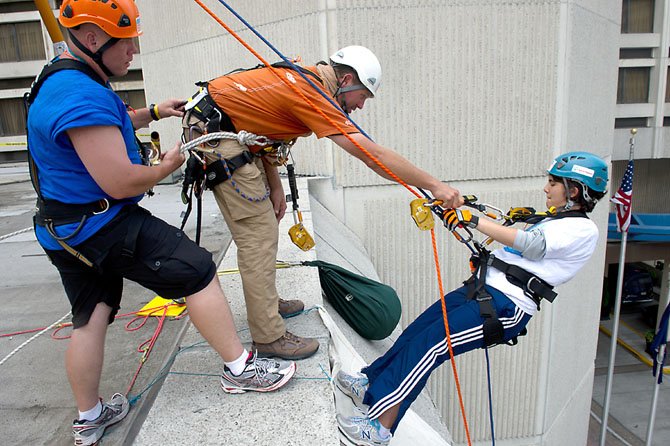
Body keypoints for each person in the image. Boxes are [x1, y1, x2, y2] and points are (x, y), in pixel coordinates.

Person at [27, 2, 295, 445]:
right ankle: (240, 369)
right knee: (197, 270)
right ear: (93, 38)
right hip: (102, 225)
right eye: (126, 40)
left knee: (91, 317)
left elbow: (102, 123)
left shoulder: (61, 75)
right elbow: (120, 181)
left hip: (62, 228)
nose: (133, 50)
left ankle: (90, 416)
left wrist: (151, 112)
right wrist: (166, 165)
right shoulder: (80, 94)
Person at [182, 45, 463, 361]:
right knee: (258, 236)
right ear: (345, 81)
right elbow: (373, 156)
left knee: (263, 229)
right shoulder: (311, 92)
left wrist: (275, 187)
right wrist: (434, 185)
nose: (361, 106)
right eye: (363, 97)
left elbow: (263, 131)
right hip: (216, 134)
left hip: (227, 129)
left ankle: (266, 304)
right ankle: (268, 336)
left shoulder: (309, 80)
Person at [334, 151, 609, 445]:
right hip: (483, 290)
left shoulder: (582, 229)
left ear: (574, 190)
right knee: (418, 332)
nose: (546, 188)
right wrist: (463, 212)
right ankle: (370, 383)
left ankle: (378, 428)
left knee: (430, 348)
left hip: (506, 306)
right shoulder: (554, 220)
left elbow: (532, 246)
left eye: (553, 183)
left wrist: (473, 219)